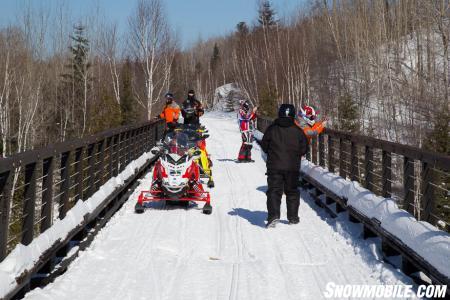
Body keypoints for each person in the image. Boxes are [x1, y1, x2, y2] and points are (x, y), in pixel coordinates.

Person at [260, 104, 308, 228]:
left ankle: (273, 216)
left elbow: (264, 146)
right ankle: (293, 217)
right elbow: (304, 149)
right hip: (292, 167)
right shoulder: (298, 131)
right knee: (292, 191)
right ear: (292, 115)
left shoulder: (272, 129)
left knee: (274, 191)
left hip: (274, 166)